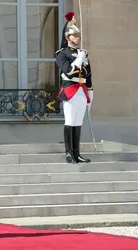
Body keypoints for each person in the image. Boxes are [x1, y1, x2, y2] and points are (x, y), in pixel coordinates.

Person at [55, 12, 93, 164]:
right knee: (70, 121)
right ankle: (69, 153)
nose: (77, 38)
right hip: (70, 90)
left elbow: (88, 75)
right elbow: (69, 72)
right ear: (67, 37)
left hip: (82, 91)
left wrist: (90, 94)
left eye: (78, 35)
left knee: (78, 123)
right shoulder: (61, 54)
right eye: (74, 35)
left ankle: (77, 153)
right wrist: (79, 59)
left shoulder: (83, 53)